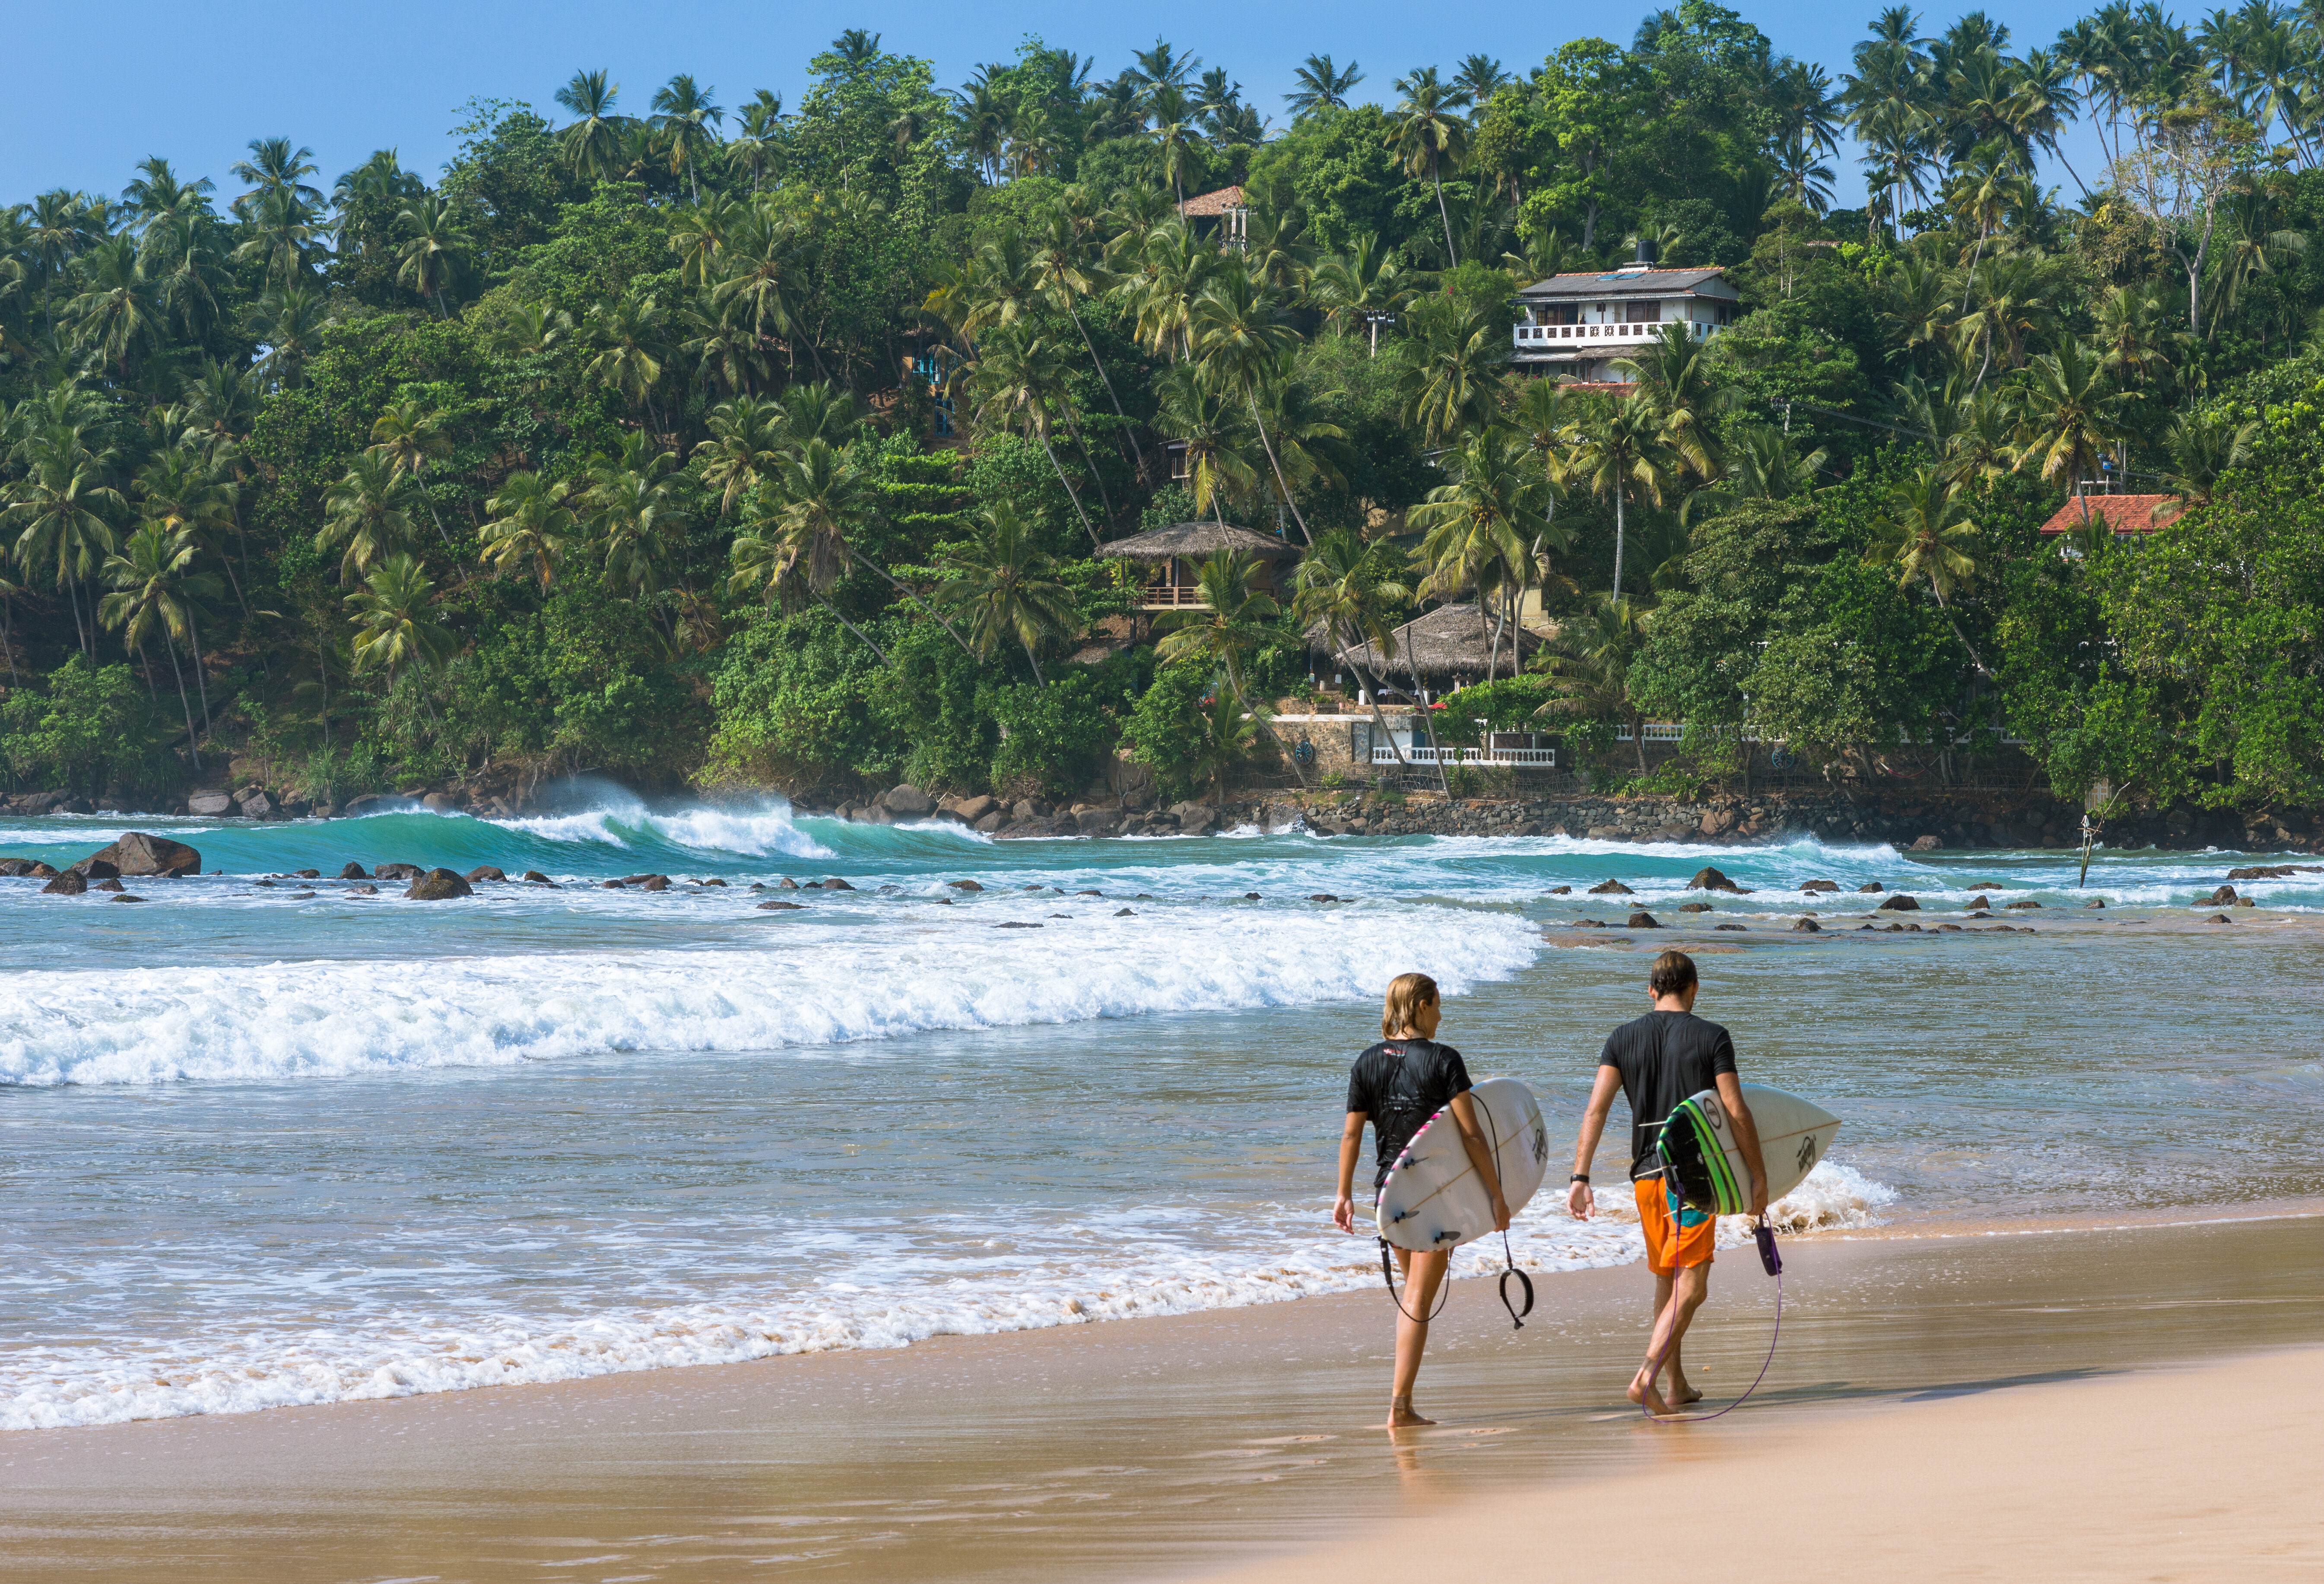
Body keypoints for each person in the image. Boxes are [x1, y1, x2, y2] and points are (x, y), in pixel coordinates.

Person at [1566, 949, 1768, 1416]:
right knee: (1693, 1287)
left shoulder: (1621, 1038)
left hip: (1644, 1177)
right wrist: (1758, 1177)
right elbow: (1736, 1110)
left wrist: (1580, 1176)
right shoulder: (1711, 1036)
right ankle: (1646, 1374)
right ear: (1693, 989)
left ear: (1652, 990)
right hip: (1691, 1183)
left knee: (1667, 1279)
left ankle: (1674, 1384)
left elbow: (1595, 1109)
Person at [1333, 971, 1510, 1428]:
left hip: (1389, 1192)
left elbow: (1352, 1134)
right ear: (1421, 1006)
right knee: (1417, 1300)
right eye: (1437, 1004)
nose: (1441, 1014)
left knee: (1418, 1297)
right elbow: (1471, 1134)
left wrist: (1343, 1194)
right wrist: (1495, 1194)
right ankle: (1399, 1404)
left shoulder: (1366, 1062)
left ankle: (1404, 1400)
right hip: (1435, 1195)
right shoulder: (1443, 1060)